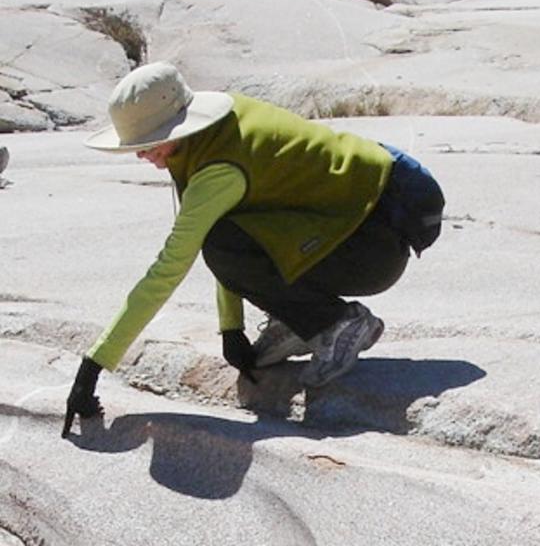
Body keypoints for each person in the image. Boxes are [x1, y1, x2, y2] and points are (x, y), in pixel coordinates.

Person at [62, 62, 444, 438]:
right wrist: (232, 328)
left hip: (373, 248)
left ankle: (340, 324)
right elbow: (239, 223)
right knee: (226, 238)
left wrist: (94, 365)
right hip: (352, 232)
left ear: (178, 127)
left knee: (221, 246)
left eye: (147, 143)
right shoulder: (213, 131)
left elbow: (170, 268)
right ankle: (302, 320)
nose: (141, 155)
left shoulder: (217, 166)